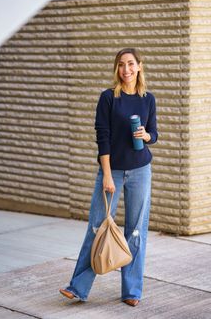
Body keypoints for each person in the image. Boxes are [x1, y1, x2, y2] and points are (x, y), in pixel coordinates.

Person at [59, 48, 158, 307]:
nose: (126, 69)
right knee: (97, 227)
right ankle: (78, 287)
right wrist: (106, 173)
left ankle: (132, 291)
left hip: (141, 169)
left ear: (139, 66)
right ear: (117, 69)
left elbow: (154, 134)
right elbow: (102, 137)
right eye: (121, 65)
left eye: (130, 64)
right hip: (111, 170)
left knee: (136, 232)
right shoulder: (108, 98)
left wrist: (147, 137)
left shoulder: (148, 99)